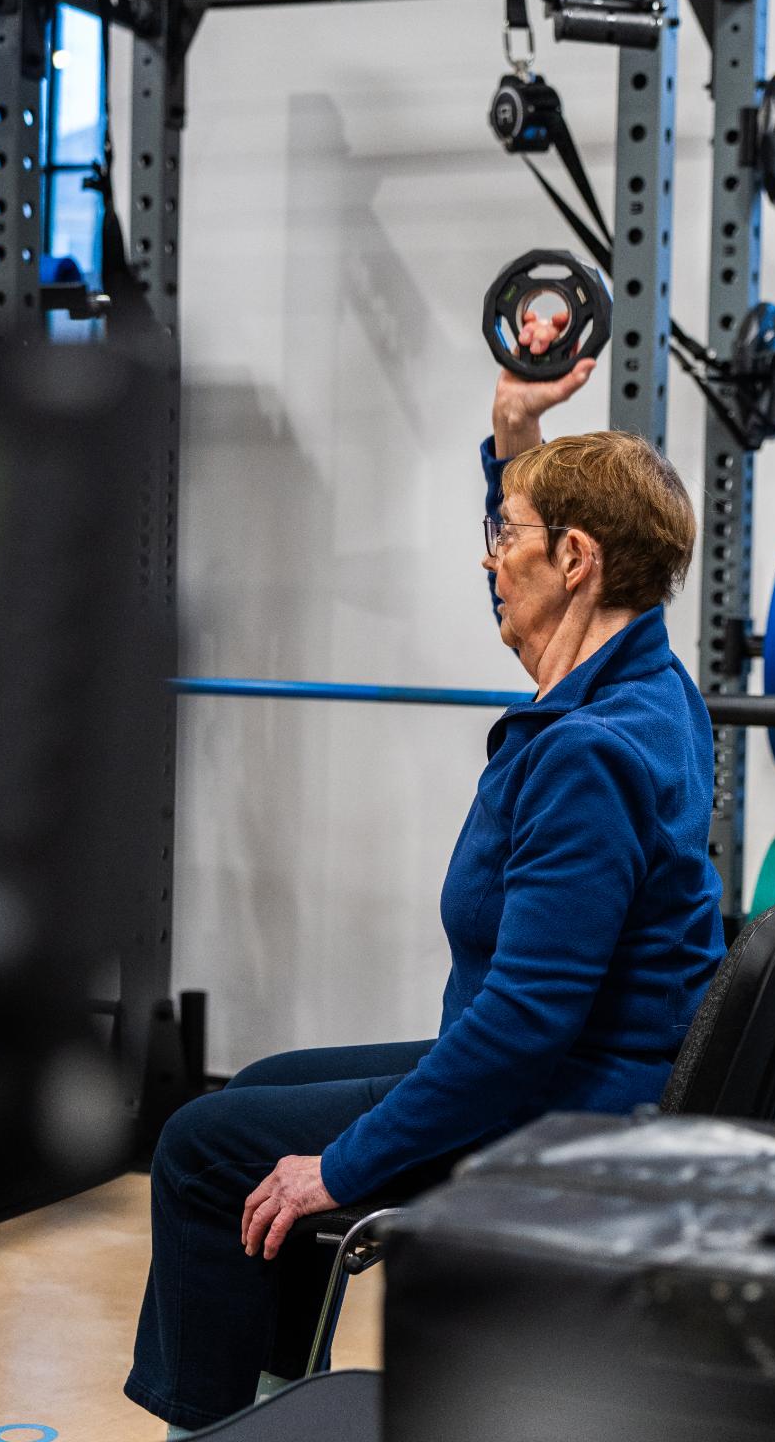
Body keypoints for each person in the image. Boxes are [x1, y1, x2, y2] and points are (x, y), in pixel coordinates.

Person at [124, 313, 725, 1434]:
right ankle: (275, 1406)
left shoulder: (587, 755)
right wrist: (513, 434)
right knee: (262, 1086)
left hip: (563, 1105)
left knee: (203, 1146)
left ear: (577, 559)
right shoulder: (650, 688)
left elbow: (523, 1026)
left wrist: (342, 1167)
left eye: (507, 539)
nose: (489, 560)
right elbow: (540, 572)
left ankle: (207, 1429)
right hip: (598, 1072)